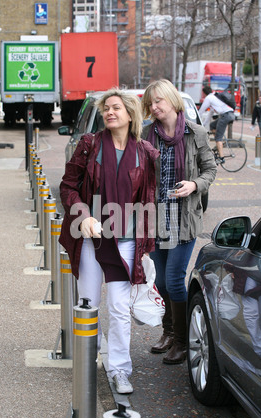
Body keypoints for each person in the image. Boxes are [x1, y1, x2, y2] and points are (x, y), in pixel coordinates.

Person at [59, 88, 159, 393]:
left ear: (130, 114)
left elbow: (149, 201)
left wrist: (145, 247)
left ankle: (118, 369)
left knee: (118, 307)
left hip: (126, 242)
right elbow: (68, 186)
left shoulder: (145, 152)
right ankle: (88, 359)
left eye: (116, 108)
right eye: (106, 109)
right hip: (92, 240)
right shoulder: (90, 145)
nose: (109, 112)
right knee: (88, 304)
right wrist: (84, 215)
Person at [142, 79, 217, 365]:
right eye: (150, 104)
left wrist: (195, 185)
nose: (154, 107)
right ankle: (169, 333)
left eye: (158, 101)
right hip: (155, 217)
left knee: (174, 279)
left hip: (184, 218)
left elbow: (210, 170)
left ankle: (184, 343)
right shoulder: (148, 135)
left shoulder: (195, 132)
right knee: (160, 280)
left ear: (173, 101)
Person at [199, 85, 235, 159]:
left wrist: (198, 122)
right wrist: (203, 124)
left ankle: (221, 157)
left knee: (218, 138)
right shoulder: (214, 97)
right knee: (212, 125)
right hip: (231, 114)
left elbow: (201, 112)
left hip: (225, 115)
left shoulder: (208, 98)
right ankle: (218, 144)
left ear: (204, 93)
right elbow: (210, 115)